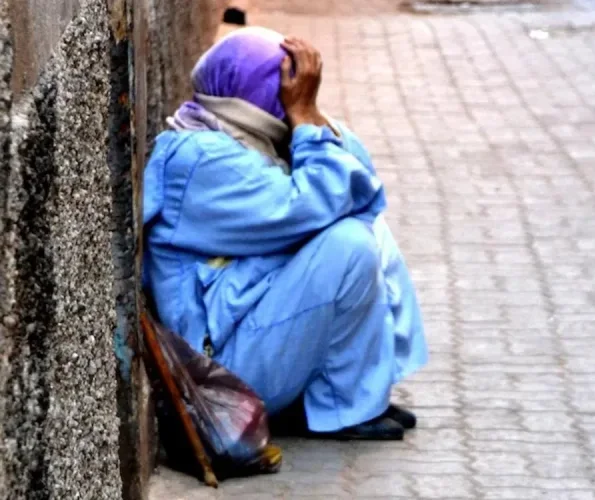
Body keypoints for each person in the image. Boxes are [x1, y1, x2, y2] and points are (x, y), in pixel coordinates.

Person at [142, 27, 428, 441]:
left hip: (250, 330)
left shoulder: (247, 139)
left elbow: (359, 183)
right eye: (284, 90)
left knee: (367, 229)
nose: (287, 104)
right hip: (221, 374)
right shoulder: (197, 159)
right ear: (250, 95)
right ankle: (345, 406)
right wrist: (305, 123)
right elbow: (310, 204)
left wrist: (310, 115)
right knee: (347, 246)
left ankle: (353, 396)